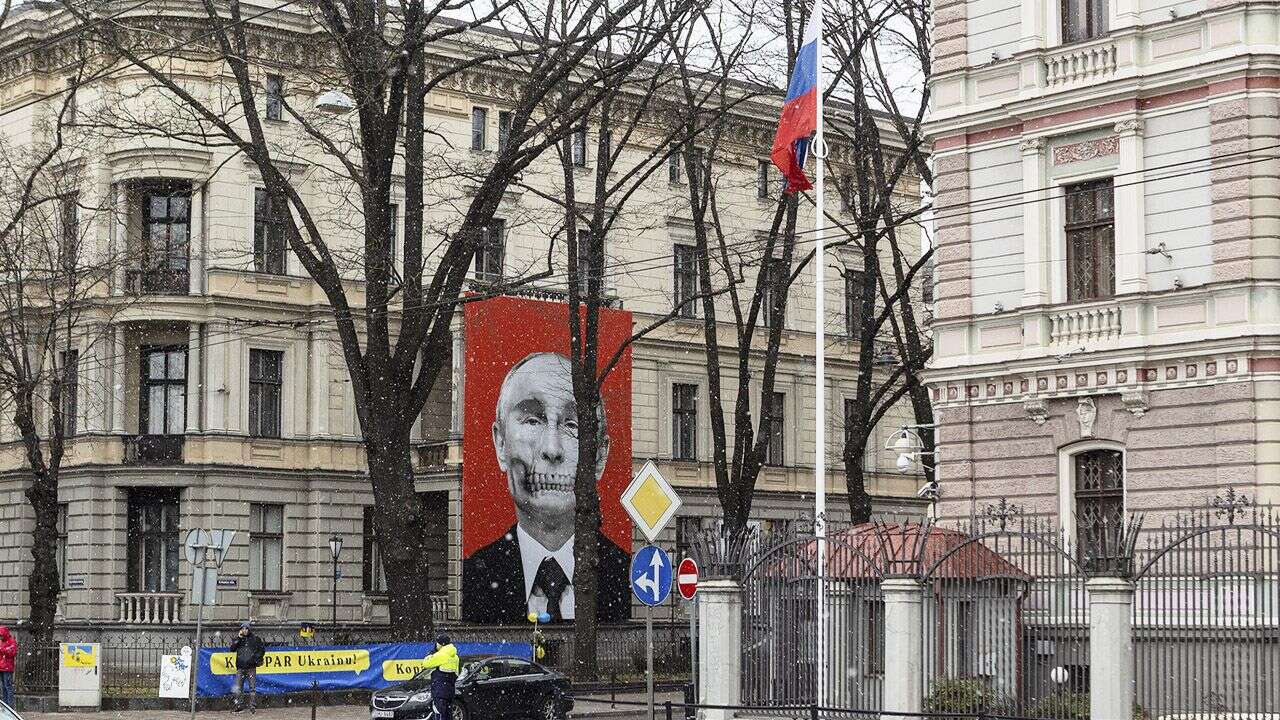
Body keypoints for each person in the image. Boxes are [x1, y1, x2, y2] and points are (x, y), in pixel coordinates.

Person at [462, 352, 630, 623]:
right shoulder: (475, 575)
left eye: (573, 425)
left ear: (600, 455)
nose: (552, 449)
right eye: (532, 420)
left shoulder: (624, 573)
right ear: (500, 444)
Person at [229, 622, 266, 713]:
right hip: (240, 667)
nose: (244, 630)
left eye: (246, 628)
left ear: (249, 629)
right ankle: (239, 705)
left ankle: (252, 706)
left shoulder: (255, 639)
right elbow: (232, 649)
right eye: (243, 629)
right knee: (239, 687)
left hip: (251, 668)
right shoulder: (239, 639)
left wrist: (255, 659)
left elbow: (261, 650)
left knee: (252, 688)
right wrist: (238, 638)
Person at [421, 633, 459, 720]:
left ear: (442, 644)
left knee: (439, 714)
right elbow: (456, 673)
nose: (436, 644)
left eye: (437, 643)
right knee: (448, 715)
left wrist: (431, 654)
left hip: (439, 691)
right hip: (449, 691)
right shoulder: (455, 657)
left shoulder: (442, 655)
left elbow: (426, 663)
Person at [0, 627, 15, 708]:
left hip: (7, 668)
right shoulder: (2, 642)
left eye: (1, 636)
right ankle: (5, 705)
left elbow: (12, 652)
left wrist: (2, 650)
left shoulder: (11, 641)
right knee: (3, 687)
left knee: (8, 686)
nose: (1, 637)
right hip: (1, 667)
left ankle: (9, 706)